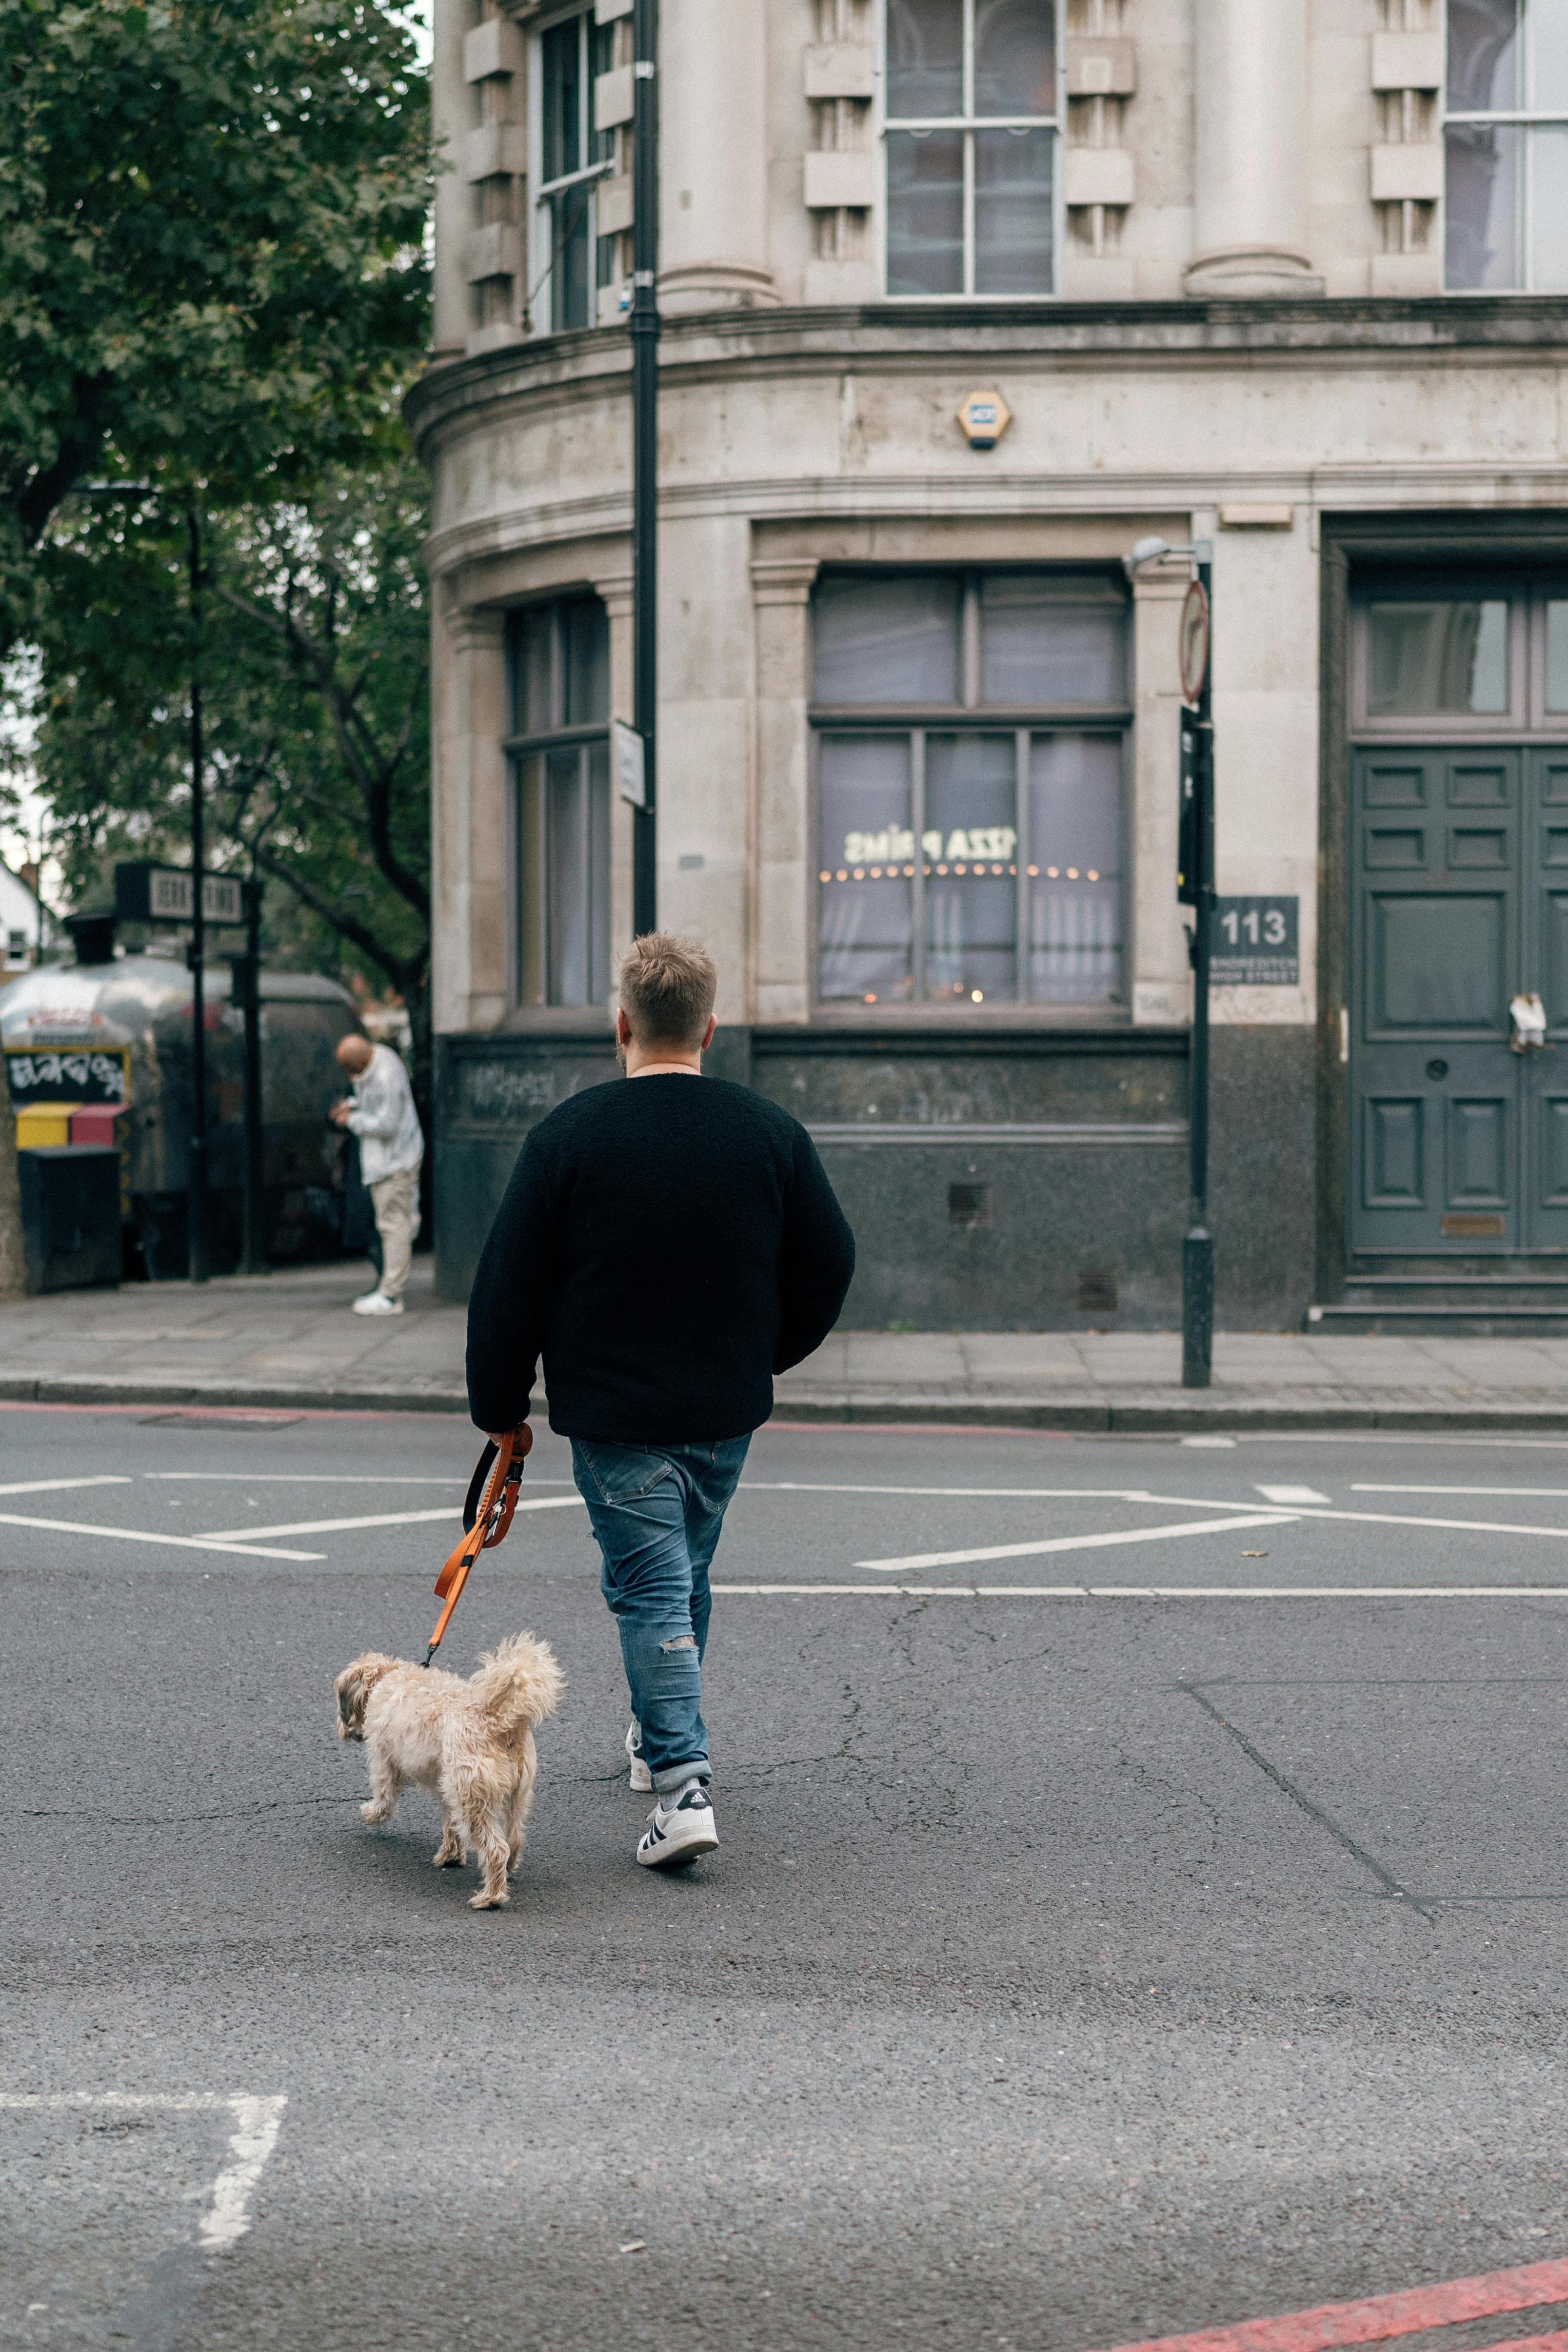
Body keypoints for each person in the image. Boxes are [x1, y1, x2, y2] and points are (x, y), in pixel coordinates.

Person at [466, 933, 856, 1869]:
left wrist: (500, 1405)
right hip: (723, 1412)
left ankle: (682, 1783)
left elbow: (507, 1284)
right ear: (710, 1029)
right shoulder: (768, 1134)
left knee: (649, 1589)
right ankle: (654, 1735)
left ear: (621, 1026)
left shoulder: (568, 1136)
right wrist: (765, 1354)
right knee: (680, 1579)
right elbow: (829, 1261)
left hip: (615, 1414)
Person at [329, 1033, 424, 1317]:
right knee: (395, 1223)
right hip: (391, 1161)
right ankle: (389, 1288)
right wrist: (355, 1106)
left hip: (394, 1163)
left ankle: (391, 1295)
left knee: (393, 1226)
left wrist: (352, 1120)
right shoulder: (381, 1058)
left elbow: (387, 1123)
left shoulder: (384, 1077)